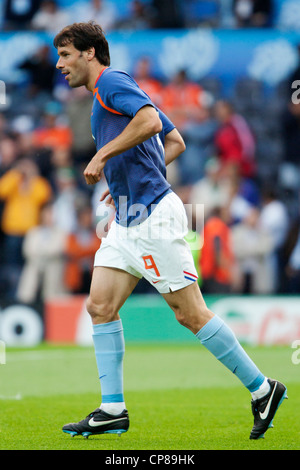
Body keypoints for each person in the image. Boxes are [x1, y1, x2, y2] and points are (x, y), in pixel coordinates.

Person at [54, 21, 287, 440]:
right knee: (100, 306)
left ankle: (262, 388)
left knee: (190, 313)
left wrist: (104, 155)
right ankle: (112, 409)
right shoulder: (111, 93)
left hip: (153, 219)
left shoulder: (111, 82)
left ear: (90, 53)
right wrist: (128, 181)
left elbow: (149, 123)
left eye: (67, 54)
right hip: (127, 217)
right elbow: (174, 140)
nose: (60, 64)